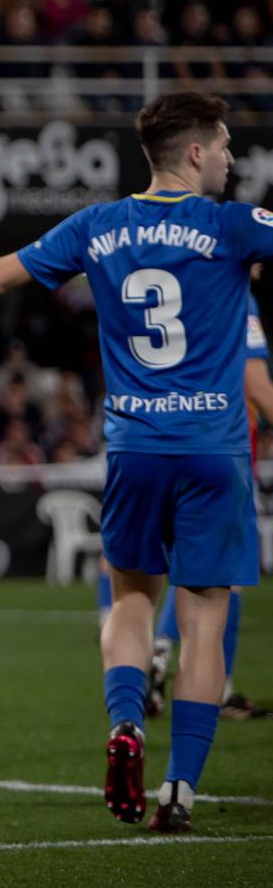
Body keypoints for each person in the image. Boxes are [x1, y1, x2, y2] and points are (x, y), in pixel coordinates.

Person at [0, 92, 273, 834]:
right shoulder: (234, 226)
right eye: (227, 145)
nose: (234, 158)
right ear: (196, 152)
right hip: (215, 451)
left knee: (132, 600)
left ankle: (126, 725)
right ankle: (179, 792)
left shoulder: (97, 227)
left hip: (135, 449)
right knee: (204, 616)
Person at [139, 294, 272, 721]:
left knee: (185, 568)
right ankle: (220, 689)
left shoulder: (185, 277)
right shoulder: (236, 294)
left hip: (161, 440)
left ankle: (157, 649)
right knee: (222, 578)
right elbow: (256, 384)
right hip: (222, 449)